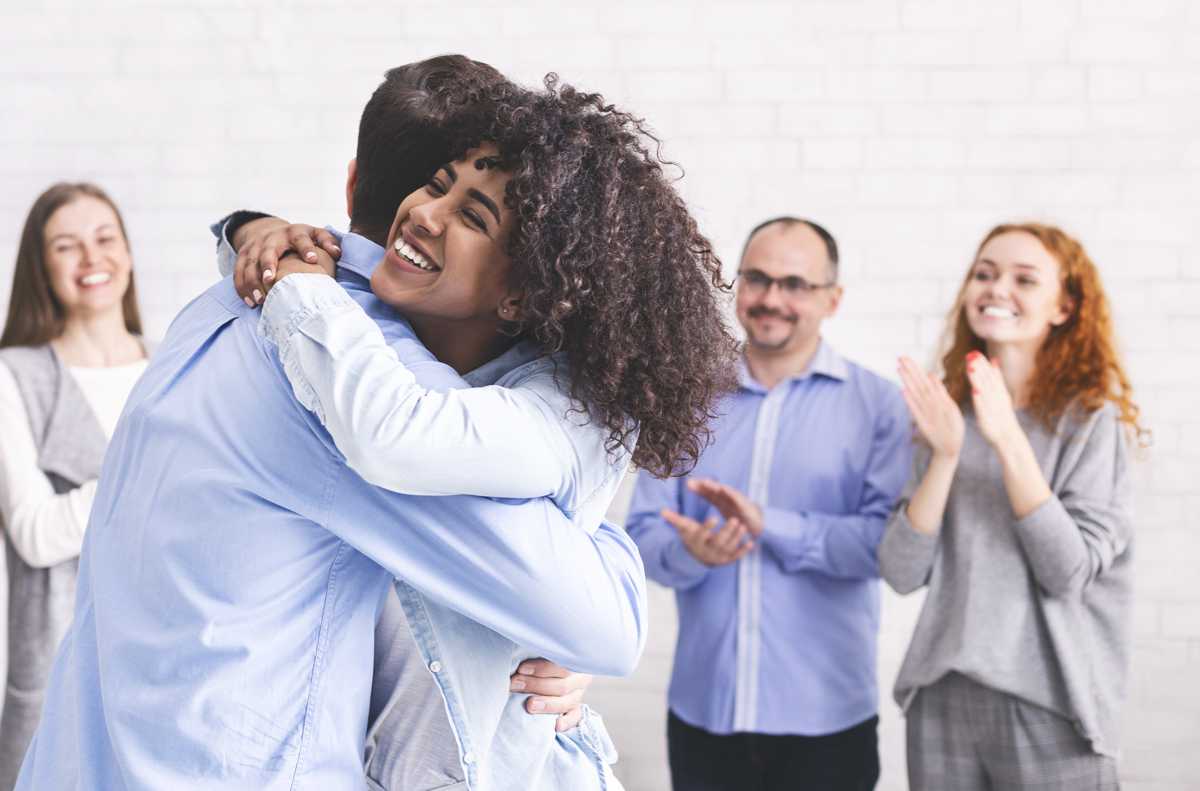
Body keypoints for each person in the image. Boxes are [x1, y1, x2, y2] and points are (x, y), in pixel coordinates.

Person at [17, 61, 736, 791]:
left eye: (474, 213)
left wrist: (249, 232)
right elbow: (604, 624)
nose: (431, 214)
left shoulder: (223, 301)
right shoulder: (347, 379)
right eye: (439, 185)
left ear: (353, 181)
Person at [626, 217, 911, 791]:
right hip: (705, 711)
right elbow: (640, 535)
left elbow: (885, 549)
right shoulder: (686, 398)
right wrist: (691, 553)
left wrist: (768, 525)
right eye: (756, 279)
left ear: (833, 299)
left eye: (794, 284)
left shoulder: (880, 407)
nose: (771, 299)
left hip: (827, 722)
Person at [880, 222, 1141, 790]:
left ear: (1064, 307)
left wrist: (1007, 438)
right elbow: (901, 572)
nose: (997, 290)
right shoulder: (944, 418)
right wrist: (947, 454)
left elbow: (1067, 572)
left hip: (1052, 703)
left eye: (1025, 279)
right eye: (985, 274)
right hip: (942, 696)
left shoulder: (1092, 423)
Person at [0, 183, 151, 791]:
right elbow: (35, 535)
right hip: (58, 684)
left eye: (105, 238)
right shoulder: (16, 374)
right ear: (42, 268)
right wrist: (144, 476)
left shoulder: (169, 366)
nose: (92, 258)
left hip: (159, 677)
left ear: (129, 254)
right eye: (67, 246)